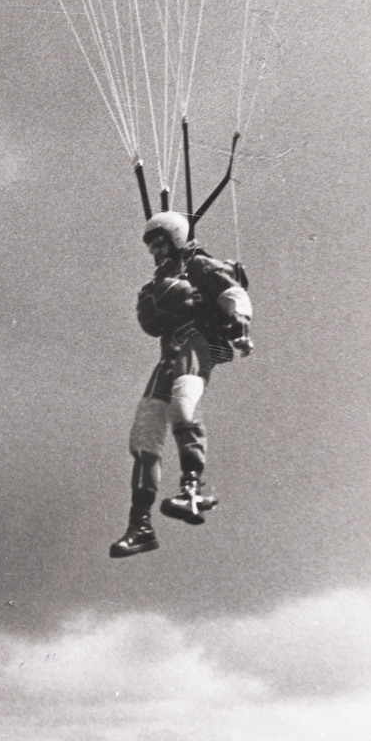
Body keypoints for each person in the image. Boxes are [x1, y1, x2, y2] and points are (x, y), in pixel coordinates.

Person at [111, 210, 253, 560]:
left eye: (160, 245)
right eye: (152, 248)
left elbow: (233, 293)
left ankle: (192, 489)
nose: (155, 253)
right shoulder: (165, 276)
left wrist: (240, 322)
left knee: (183, 405)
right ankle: (140, 525)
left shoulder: (200, 266)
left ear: (175, 240)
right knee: (144, 433)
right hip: (170, 355)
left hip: (198, 343)